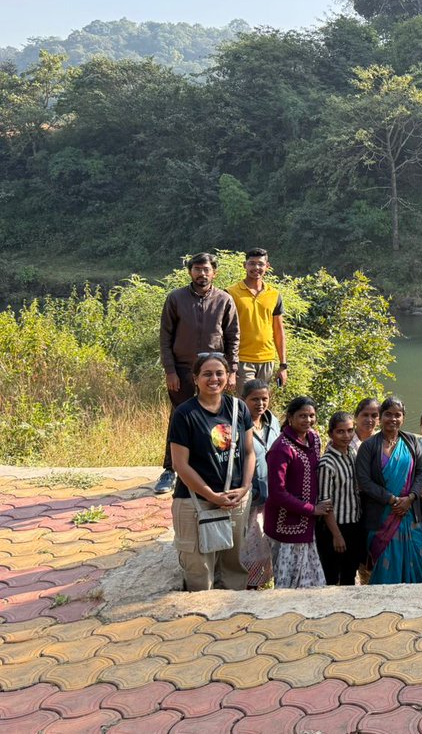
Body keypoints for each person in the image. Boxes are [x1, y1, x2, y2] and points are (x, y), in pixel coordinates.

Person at [168, 354, 254, 591]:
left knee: (232, 564)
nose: (214, 379)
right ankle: (198, 621)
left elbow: (249, 452)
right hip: (194, 502)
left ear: (228, 376)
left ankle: (232, 617)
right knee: (199, 567)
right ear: (195, 379)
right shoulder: (185, 414)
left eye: (219, 373)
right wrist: (211, 495)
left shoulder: (238, 409)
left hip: (234, 499)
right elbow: (180, 465)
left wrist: (245, 488)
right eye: (207, 374)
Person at [156, 253, 240, 494]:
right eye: (197, 269)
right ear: (189, 271)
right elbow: (165, 338)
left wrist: (231, 371)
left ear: (214, 272)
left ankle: (207, 467)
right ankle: (170, 470)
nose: (201, 274)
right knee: (179, 417)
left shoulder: (224, 299)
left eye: (206, 269)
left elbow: (233, 337)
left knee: (214, 419)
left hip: (214, 372)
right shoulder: (175, 298)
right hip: (182, 370)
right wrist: (170, 370)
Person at [355, 396, 422, 584]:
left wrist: (410, 498)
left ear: (403, 418)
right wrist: (392, 500)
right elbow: (364, 480)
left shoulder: (412, 441)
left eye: (398, 415)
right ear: (380, 416)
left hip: (409, 513)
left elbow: (421, 473)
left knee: (416, 560)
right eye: (388, 414)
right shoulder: (369, 446)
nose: (393, 419)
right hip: (381, 515)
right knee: (383, 566)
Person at [265, 396, 331, 588]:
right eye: (302, 416)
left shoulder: (314, 439)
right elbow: (277, 492)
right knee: (288, 583)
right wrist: (312, 509)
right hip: (285, 523)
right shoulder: (282, 448)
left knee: (312, 580)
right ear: (290, 417)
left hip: (308, 524)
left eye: (311, 416)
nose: (308, 420)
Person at [226, 248, 288, 391]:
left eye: (260, 264)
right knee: (246, 403)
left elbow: (279, 331)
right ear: (244, 265)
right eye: (252, 263)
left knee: (261, 404)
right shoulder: (231, 293)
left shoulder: (274, 294)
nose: (256, 268)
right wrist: (229, 366)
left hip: (267, 359)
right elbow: (223, 330)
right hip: (241, 360)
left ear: (267, 266)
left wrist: (283, 365)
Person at [317, 412, 366, 586]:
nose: (346, 436)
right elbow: (325, 503)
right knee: (332, 576)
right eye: (340, 432)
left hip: (354, 524)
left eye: (350, 431)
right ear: (331, 434)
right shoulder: (327, 463)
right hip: (335, 527)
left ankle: (347, 612)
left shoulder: (352, 453)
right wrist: (337, 535)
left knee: (349, 574)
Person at [242, 378, 281, 587]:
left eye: (264, 399)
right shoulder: (238, 424)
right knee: (250, 544)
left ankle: (268, 580)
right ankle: (250, 585)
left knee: (270, 540)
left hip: (273, 493)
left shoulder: (272, 422)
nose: (260, 404)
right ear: (243, 400)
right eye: (254, 399)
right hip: (251, 494)